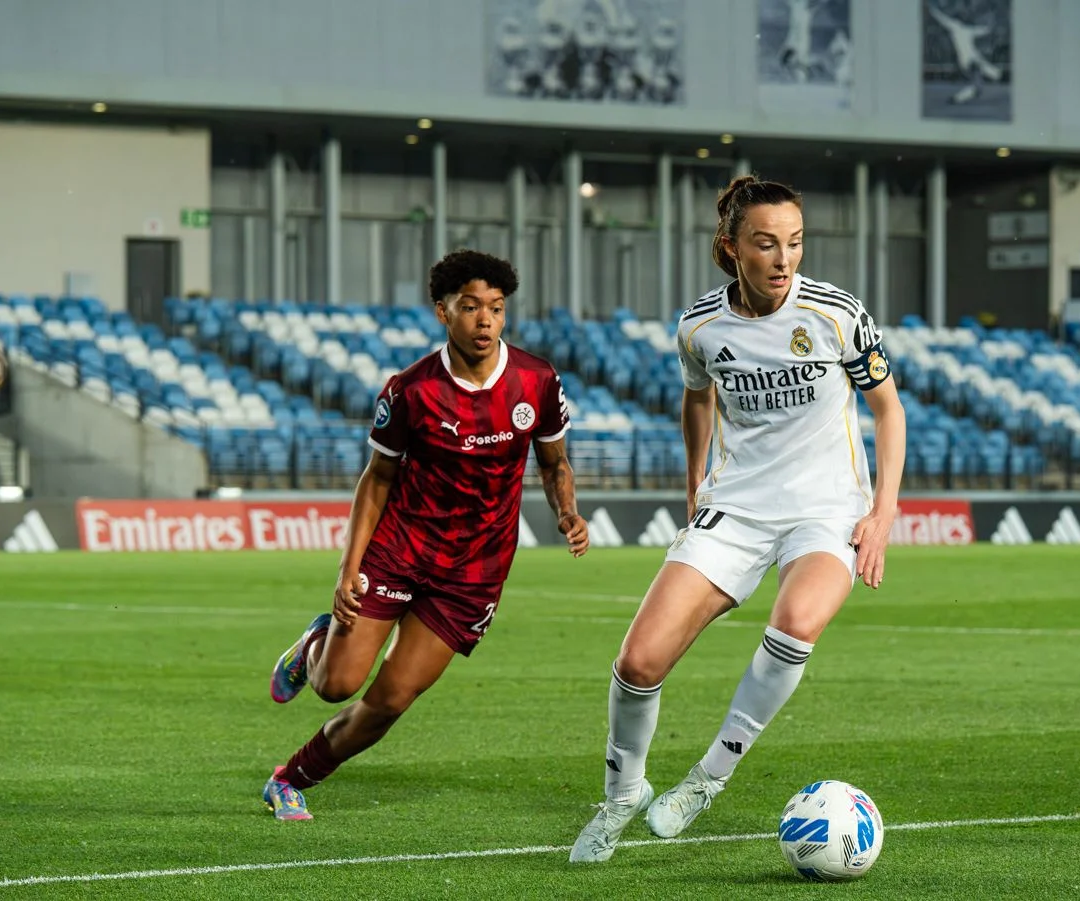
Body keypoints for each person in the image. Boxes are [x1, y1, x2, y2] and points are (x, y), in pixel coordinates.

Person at [570, 175, 906, 862]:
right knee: (638, 662)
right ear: (732, 248)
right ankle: (621, 794)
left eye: (795, 243)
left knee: (797, 620)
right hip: (738, 505)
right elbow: (697, 399)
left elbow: (888, 410)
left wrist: (882, 512)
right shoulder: (699, 326)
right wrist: (694, 483)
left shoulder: (838, 314)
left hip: (826, 508)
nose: (784, 259)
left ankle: (707, 778)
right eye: (766, 244)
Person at [262, 249, 590, 820]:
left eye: (496, 307)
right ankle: (316, 645)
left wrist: (567, 512)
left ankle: (290, 778)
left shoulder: (537, 381)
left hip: (475, 572)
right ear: (443, 312)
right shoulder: (410, 390)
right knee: (337, 685)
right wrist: (348, 569)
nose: (485, 321)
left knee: (390, 700)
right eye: (470, 307)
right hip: (398, 550)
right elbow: (377, 478)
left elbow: (554, 461)